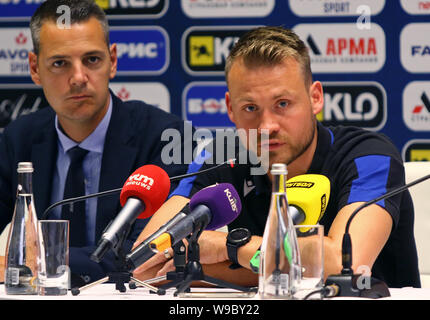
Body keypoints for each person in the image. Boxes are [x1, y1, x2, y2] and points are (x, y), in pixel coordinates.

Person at [131, 26, 421, 289]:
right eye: (250, 108)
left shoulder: (369, 155)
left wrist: (231, 248)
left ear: (315, 98)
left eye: (283, 104)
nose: (266, 126)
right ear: (230, 108)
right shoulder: (219, 156)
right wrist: (271, 262)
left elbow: (343, 264)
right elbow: (148, 261)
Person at [0, 0, 192, 287]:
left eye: (92, 59)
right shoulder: (18, 139)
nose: (78, 78)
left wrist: (41, 257)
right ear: (34, 68)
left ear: (112, 61)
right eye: (60, 63)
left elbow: (146, 254)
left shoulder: (165, 135)